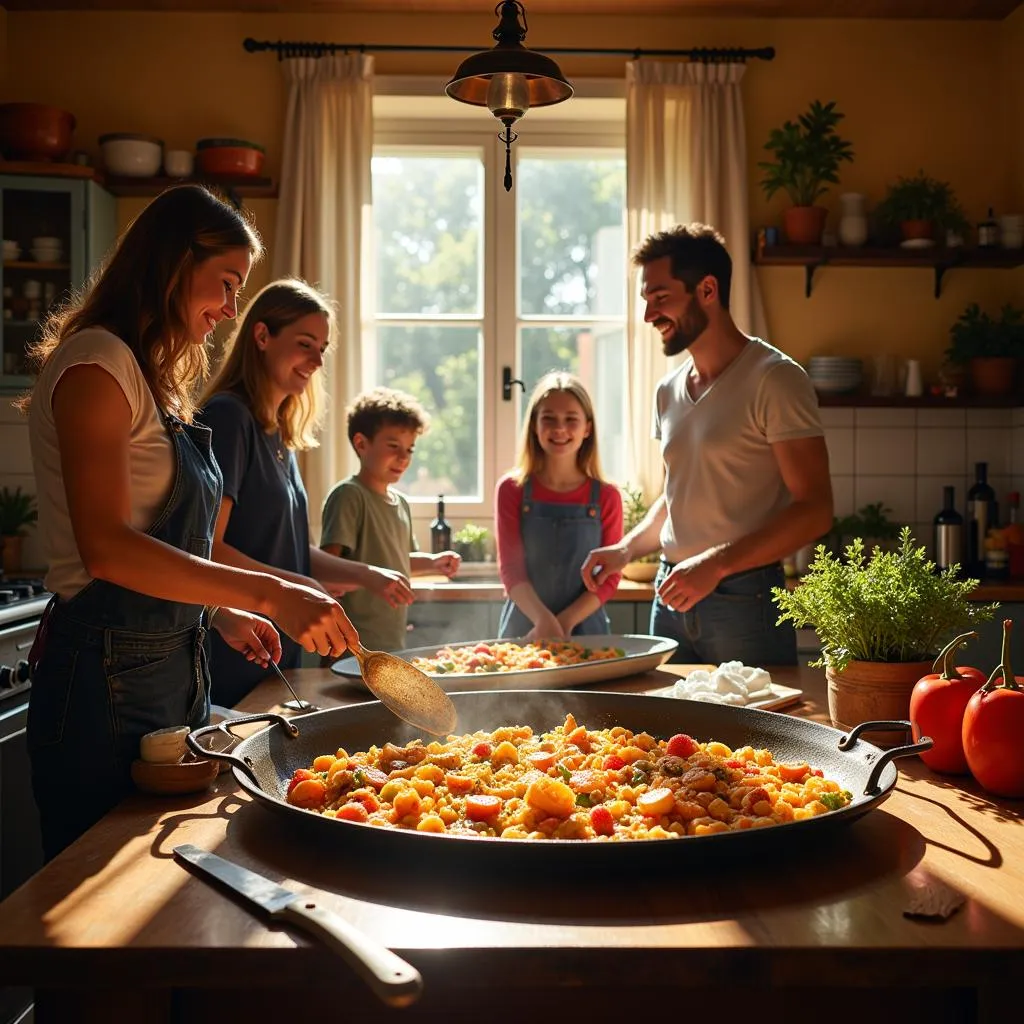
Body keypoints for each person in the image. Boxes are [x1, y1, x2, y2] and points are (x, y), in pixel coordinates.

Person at [21, 185, 357, 860]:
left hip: (163, 668)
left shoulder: (151, 376)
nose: (231, 310)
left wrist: (214, 611)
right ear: (174, 263)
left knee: (154, 886)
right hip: (102, 675)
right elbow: (109, 549)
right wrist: (266, 592)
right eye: (227, 284)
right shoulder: (97, 363)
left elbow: (160, 537)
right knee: (96, 895)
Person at [581, 223, 833, 666]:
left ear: (708, 290)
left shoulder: (776, 379)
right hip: (671, 594)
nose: (648, 316)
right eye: (646, 301)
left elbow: (815, 510)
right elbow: (675, 498)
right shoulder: (668, 391)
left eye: (660, 298)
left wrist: (713, 566)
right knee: (664, 735)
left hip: (744, 600)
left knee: (757, 734)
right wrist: (625, 550)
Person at [199, 279, 415, 707]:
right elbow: (210, 548)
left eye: (323, 348)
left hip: (279, 649)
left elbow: (292, 550)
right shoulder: (229, 418)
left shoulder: (277, 434)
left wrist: (366, 575)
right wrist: (297, 587)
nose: (317, 360)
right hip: (237, 643)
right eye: (305, 343)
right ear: (262, 336)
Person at [320, 387, 461, 652]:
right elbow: (328, 567)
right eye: (394, 446)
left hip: (391, 641)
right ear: (362, 444)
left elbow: (398, 561)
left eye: (410, 449)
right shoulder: (349, 496)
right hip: (351, 644)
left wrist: (432, 562)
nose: (404, 458)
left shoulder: (401, 503)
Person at [496, 371, 623, 640]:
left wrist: (563, 623)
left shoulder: (607, 496)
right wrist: (543, 621)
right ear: (534, 425)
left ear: (587, 428)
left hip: (586, 629)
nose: (559, 429)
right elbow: (511, 570)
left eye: (571, 420)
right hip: (525, 627)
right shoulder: (511, 490)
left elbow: (609, 578)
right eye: (549, 418)